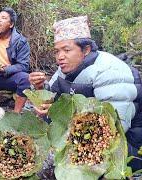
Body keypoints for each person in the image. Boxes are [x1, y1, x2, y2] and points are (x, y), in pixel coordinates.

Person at [29, 16, 142, 171]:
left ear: (86, 50)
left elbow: (115, 127)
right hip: (84, 131)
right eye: (57, 51)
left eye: (67, 50)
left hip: (125, 140)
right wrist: (40, 89)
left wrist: (63, 116)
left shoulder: (109, 72)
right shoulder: (65, 69)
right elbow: (52, 98)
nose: (60, 57)